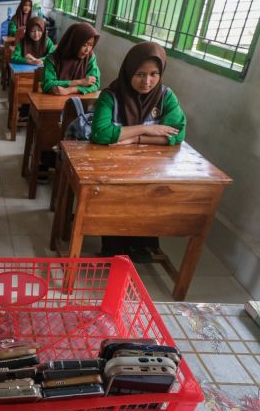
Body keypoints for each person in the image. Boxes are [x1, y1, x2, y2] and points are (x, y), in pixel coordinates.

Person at [91, 41, 186, 261]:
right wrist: (147, 128)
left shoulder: (166, 96)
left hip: (150, 166)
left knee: (153, 192)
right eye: (140, 74)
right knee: (117, 193)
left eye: (154, 74)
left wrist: (136, 139)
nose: (147, 81)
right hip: (113, 166)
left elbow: (177, 133)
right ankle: (115, 247)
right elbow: (101, 134)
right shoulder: (111, 95)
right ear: (128, 71)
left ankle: (142, 245)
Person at [41, 22, 100, 95]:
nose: (87, 50)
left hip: (78, 101)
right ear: (74, 42)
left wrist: (70, 90)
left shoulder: (90, 57)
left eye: (91, 45)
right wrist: (80, 82)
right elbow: (47, 85)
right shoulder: (52, 59)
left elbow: (95, 83)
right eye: (84, 45)